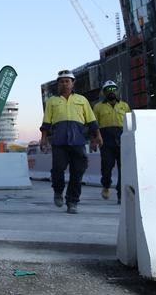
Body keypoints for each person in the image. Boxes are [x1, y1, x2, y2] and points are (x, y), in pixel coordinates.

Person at [40, 70, 103, 214]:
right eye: (61, 81)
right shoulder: (52, 102)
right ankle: (58, 192)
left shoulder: (82, 100)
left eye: (67, 81)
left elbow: (92, 121)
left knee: (78, 172)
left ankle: (72, 201)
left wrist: (98, 136)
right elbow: (46, 123)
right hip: (59, 142)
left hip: (78, 142)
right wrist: (43, 139)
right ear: (58, 84)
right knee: (57, 169)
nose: (64, 84)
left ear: (73, 83)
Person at [93, 80, 131, 204]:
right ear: (104, 92)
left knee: (123, 168)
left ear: (116, 91)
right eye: (108, 90)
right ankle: (106, 185)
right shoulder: (98, 107)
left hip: (122, 139)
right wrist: (94, 139)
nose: (111, 92)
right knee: (107, 166)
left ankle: (121, 196)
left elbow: (129, 124)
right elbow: (94, 125)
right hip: (105, 140)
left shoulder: (124, 106)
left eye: (113, 89)